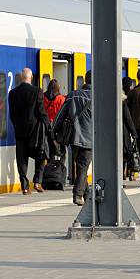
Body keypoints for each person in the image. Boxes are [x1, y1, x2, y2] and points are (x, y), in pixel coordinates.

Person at [8, 67, 50, 195]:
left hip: (20, 130)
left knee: (22, 159)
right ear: (31, 78)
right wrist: (48, 127)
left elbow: (12, 114)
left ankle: (25, 186)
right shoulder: (37, 91)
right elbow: (41, 112)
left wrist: (16, 125)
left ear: (21, 78)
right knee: (41, 155)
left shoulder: (13, 93)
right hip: (35, 131)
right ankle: (37, 181)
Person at [54, 70, 93, 205]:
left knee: (81, 166)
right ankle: (77, 195)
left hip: (73, 137)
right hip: (90, 138)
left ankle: (88, 196)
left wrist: (54, 132)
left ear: (85, 80)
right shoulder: (99, 97)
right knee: (83, 167)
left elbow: (61, 115)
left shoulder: (73, 95)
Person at [122, 77, 138, 181]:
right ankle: (131, 173)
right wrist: (134, 132)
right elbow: (128, 117)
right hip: (127, 129)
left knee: (122, 153)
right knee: (129, 152)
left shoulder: (121, 97)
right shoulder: (133, 96)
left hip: (122, 128)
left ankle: (122, 173)